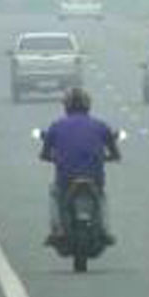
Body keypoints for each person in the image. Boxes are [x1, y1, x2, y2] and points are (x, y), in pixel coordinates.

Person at [40, 88, 120, 248]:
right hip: (94, 176)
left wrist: (56, 159)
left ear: (66, 106)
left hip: (66, 177)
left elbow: (44, 154)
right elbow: (115, 153)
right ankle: (104, 229)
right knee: (101, 198)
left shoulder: (56, 126)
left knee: (56, 195)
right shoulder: (100, 125)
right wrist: (107, 158)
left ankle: (58, 230)